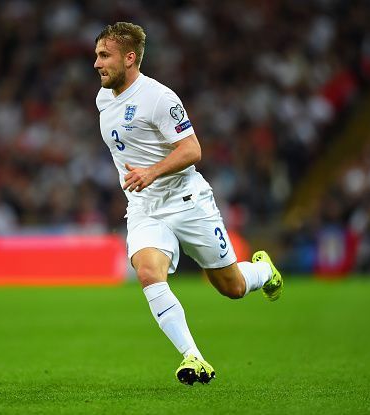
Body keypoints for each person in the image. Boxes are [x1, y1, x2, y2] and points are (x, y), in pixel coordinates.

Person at [94, 22, 283, 386]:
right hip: (144, 206)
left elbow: (193, 149)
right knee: (148, 272)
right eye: (97, 55)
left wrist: (152, 171)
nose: (97, 63)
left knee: (232, 287)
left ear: (130, 58)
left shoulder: (160, 98)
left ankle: (263, 271)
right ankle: (192, 356)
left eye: (105, 56)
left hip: (186, 201)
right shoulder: (104, 98)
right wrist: (142, 181)